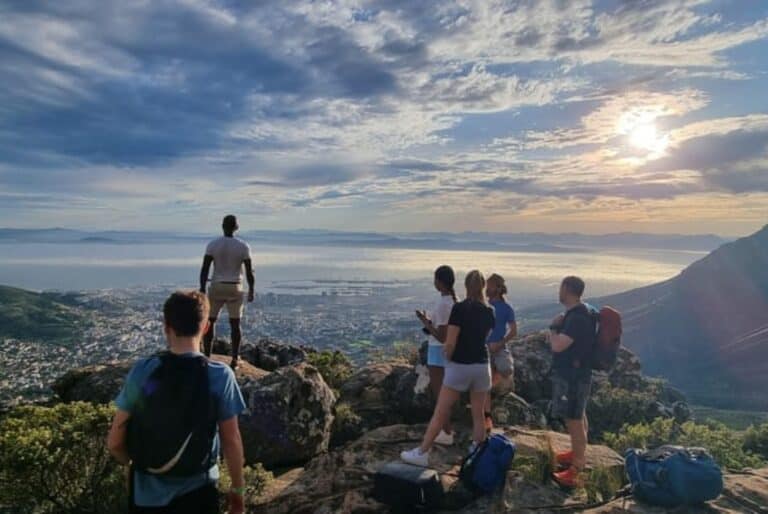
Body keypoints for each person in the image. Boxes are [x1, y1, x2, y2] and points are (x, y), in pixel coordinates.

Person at [107, 291, 246, 513]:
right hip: (200, 493)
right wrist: (237, 493)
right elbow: (231, 440)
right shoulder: (219, 376)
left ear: (166, 327)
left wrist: (137, 465)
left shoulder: (144, 372)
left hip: (146, 496)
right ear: (206, 328)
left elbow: (114, 442)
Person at [401, 270, 495, 467]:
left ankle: (422, 453)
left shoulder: (459, 309)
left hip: (460, 366)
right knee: (478, 414)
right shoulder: (489, 311)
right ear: (483, 287)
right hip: (482, 366)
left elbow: (450, 342)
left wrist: (448, 358)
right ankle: (477, 452)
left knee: (441, 410)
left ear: (466, 286)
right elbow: (483, 339)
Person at [548, 276, 596, 488]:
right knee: (578, 414)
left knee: (573, 419)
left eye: (561, 287)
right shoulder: (583, 312)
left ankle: (576, 468)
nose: (559, 291)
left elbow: (558, 346)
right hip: (578, 374)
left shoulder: (577, 318)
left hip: (573, 377)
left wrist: (553, 328)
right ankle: (577, 454)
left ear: (567, 289)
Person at [199, 215, 255, 369]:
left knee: (210, 321)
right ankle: (235, 359)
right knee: (235, 324)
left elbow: (205, 269)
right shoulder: (243, 246)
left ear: (222, 226)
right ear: (236, 227)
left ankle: (207, 357)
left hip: (217, 286)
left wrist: (202, 288)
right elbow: (249, 272)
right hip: (235, 286)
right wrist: (251, 290)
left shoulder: (213, 245)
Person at [415, 265, 457, 446]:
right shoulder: (453, 302)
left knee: (440, 394)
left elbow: (441, 336)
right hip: (447, 351)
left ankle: (446, 432)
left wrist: (425, 322)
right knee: (444, 393)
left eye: (435, 279)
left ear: (439, 282)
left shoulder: (443, 305)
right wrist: (430, 323)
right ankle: (446, 430)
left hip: (437, 352)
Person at [484, 273, 517, 431]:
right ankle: (487, 415)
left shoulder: (506, 308)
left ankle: (493, 387)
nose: (486, 289)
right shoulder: (484, 305)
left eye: (489, 286)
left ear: (497, 288)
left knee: (506, 370)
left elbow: (513, 331)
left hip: (499, 348)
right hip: (484, 348)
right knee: (484, 384)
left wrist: (500, 343)